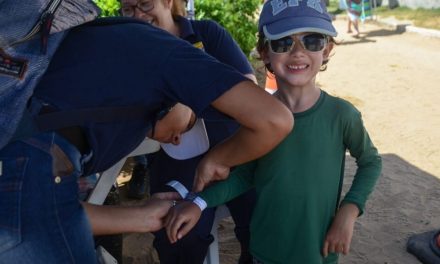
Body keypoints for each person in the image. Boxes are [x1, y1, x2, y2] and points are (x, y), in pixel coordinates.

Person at [0, 0, 294, 263]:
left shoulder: (101, 55)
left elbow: (40, 209)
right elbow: (274, 120)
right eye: (190, 122)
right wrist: (216, 161)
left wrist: (140, 217)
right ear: (174, 96)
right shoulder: (166, 54)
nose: (178, 137)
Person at [165, 1, 383, 263]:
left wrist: (348, 211)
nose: (298, 52)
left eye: (312, 40)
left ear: (327, 49)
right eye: (283, 43)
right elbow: (244, 177)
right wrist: (199, 203)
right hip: (264, 252)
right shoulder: (260, 124)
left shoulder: (342, 115)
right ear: (264, 52)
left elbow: (371, 161)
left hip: (318, 253)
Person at [119, 0, 258, 262]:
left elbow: (249, 86)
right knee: (178, 234)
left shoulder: (206, 33)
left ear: (167, 2)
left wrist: (191, 101)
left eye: (145, 4)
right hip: (176, 162)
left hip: (233, 152)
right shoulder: (130, 51)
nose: (138, 14)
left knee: (262, 219)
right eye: (128, 8)